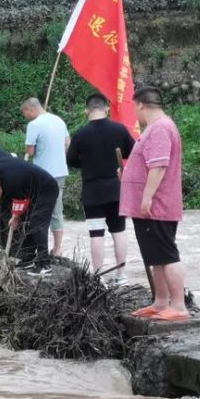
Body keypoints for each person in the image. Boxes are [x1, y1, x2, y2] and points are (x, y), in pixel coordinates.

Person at [120, 86, 188, 320]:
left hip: (156, 206)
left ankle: (178, 306)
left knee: (167, 254)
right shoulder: (158, 127)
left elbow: (159, 165)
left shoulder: (159, 128)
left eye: (134, 107)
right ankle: (161, 302)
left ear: (140, 104)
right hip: (152, 206)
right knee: (156, 255)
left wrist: (147, 197)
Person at [66, 93, 135, 282]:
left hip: (92, 191)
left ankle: (98, 277)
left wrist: (86, 164)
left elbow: (70, 159)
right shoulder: (119, 129)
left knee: (96, 234)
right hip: (116, 189)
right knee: (119, 231)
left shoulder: (80, 134)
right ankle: (122, 275)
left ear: (86, 111)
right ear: (106, 108)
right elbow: (132, 150)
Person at [0, 153, 59, 276]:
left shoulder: (10, 180)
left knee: (37, 226)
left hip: (46, 189)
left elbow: (21, 201)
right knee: (28, 224)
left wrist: (15, 217)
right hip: (31, 191)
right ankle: (28, 259)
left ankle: (44, 264)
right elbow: (7, 194)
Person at [21, 97, 70, 257]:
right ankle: (57, 249)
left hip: (42, 174)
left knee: (39, 210)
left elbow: (30, 151)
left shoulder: (34, 125)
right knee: (57, 209)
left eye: (25, 112)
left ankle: (36, 249)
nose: (25, 115)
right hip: (60, 172)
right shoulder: (59, 120)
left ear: (30, 109)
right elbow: (67, 143)